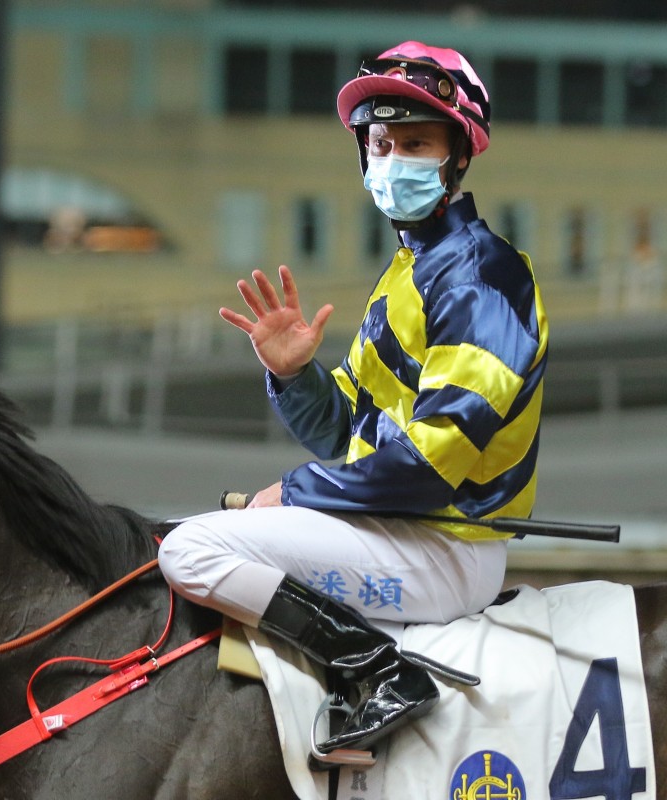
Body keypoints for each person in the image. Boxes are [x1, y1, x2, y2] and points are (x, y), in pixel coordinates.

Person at [159, 41, 547, 759]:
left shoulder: (483, 275)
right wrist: (295, 376)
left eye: (416, 142)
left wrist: (296, 492)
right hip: (398, 531)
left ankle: (379, 672)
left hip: (444, 548)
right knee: (168, 534)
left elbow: (433, 459)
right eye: (381, 143)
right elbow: (347, 436)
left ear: (459, 156)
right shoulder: (411, 270)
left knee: (188, 551)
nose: (393, 158)